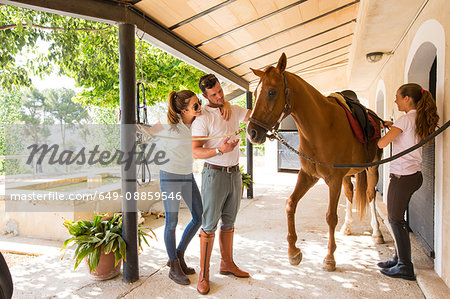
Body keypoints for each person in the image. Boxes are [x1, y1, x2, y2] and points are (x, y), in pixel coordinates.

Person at [139, 90, 231, 285]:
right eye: (195, 105)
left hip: (187, 176)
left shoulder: (198, 121)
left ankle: (178, 254)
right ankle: (173, 266)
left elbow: (220, 107)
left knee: (199, 216)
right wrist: (127, 121)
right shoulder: (169, 123)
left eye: (199, 103)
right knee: (171, 222)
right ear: (183, 109)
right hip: (170, 176)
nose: (199, 107)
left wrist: (227, 105)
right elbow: (146, 131)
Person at [191, 74, 252, 294]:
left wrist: (226, 103)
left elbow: (255, 117)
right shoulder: (203, 117)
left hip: (234, 174)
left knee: (229, 223)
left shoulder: (233, 108)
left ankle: (227, 264)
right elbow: (195, 151)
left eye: (220, 91)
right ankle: (204, 275)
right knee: (208, 226)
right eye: (214, 94)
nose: (219, 96)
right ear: (205, 96)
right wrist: (219, 150)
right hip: (213, 175)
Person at [377, 83, 439, 281]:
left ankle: (405, 266)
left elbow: (382, 143)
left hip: (402, 177)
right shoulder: (417, 118)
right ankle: (399, 257)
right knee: (398, 219)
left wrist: (389, 130)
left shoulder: (404, 120)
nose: (395, 100)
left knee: (395, 219)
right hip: (414, 176)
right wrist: (392, 126)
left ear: (407, 99)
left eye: (397, 97)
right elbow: (405, 135)